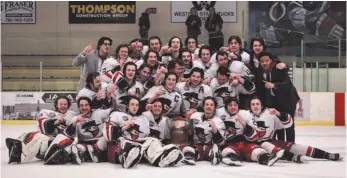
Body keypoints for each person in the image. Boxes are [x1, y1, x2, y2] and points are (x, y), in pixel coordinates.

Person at [248, 97, 342, 162]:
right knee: (268, 146)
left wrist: (279, 114)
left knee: (296, 147)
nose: (255, 106)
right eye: (253, 104)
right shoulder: (245, 115)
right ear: (250, 106)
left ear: (261, 105)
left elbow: (288, 123)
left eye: (257, 104)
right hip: (255, 146)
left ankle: (327, 155)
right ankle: (293, 158)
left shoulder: (269, 114)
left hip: (271, 142)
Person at [5, 96, 79, 164]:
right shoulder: (47, 113)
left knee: (59, 137)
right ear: (56, 104)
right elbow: (45, 129)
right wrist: (56, 121)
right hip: (43, 146)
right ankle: (17, 151)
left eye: (65, 104)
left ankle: (20, 154)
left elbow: (72, 134)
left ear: (68, 105)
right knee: (36, 135)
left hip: (60, 144)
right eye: (61, 104)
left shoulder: (72, 115)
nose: (63, 106)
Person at [216, 98, 284, 166]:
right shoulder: (220, 115)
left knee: (256, 150)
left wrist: (244, 124)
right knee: (227, 151)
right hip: (230, 143)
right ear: (226, 107)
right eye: (230, 105)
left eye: (235, 105)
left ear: (238, 106)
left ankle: (267, 158)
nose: (233, 107)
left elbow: (254, 136)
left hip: (246, 143)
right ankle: (233, 159)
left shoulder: (246, 115)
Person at [255, 51, 299, 142]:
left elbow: (287, 84)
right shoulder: (259, 71)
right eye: (262, 61)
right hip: (275, 102)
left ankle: (291, 147)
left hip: (288, 100)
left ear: (271, 60)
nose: (265, 63)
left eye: (267, 61)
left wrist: (274, 85)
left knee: (289, 125)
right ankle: (281, 146)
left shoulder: (278, 68)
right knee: (279, 127)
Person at [182, 97, 226, 165]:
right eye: (207, 104)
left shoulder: (219, 122)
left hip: (210, 146)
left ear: (214, 108)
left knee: (214, 150)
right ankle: (192, 157)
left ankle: (214, 154)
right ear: (203, 106)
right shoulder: (195, 116)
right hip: (198, 146)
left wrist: (215, 130)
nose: (209, 107)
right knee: (187, 149)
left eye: (211, 105)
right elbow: (189, 131)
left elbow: (222, 143)